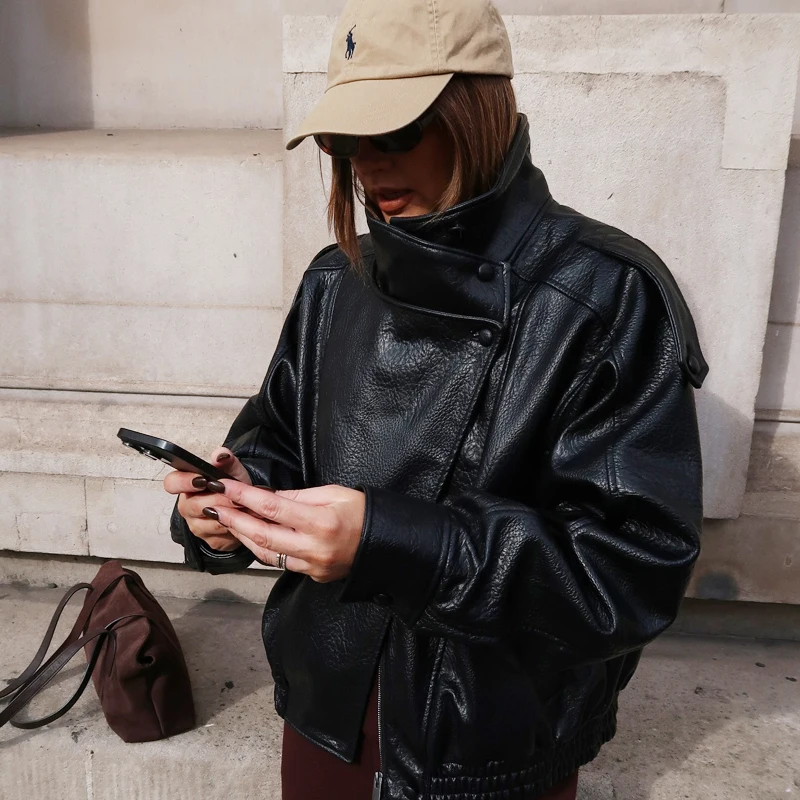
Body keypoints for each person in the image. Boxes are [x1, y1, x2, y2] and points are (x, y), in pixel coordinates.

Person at [164, 1, 708, 798]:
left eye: (396, 134)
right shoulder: (334, 279)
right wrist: (225, 498)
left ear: (476, 110)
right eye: (347, 144)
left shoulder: (603, 296)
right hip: (323, 719)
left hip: (489, 752)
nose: (367, 168)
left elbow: (628, 574)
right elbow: (280, 434)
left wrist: (393, 543)